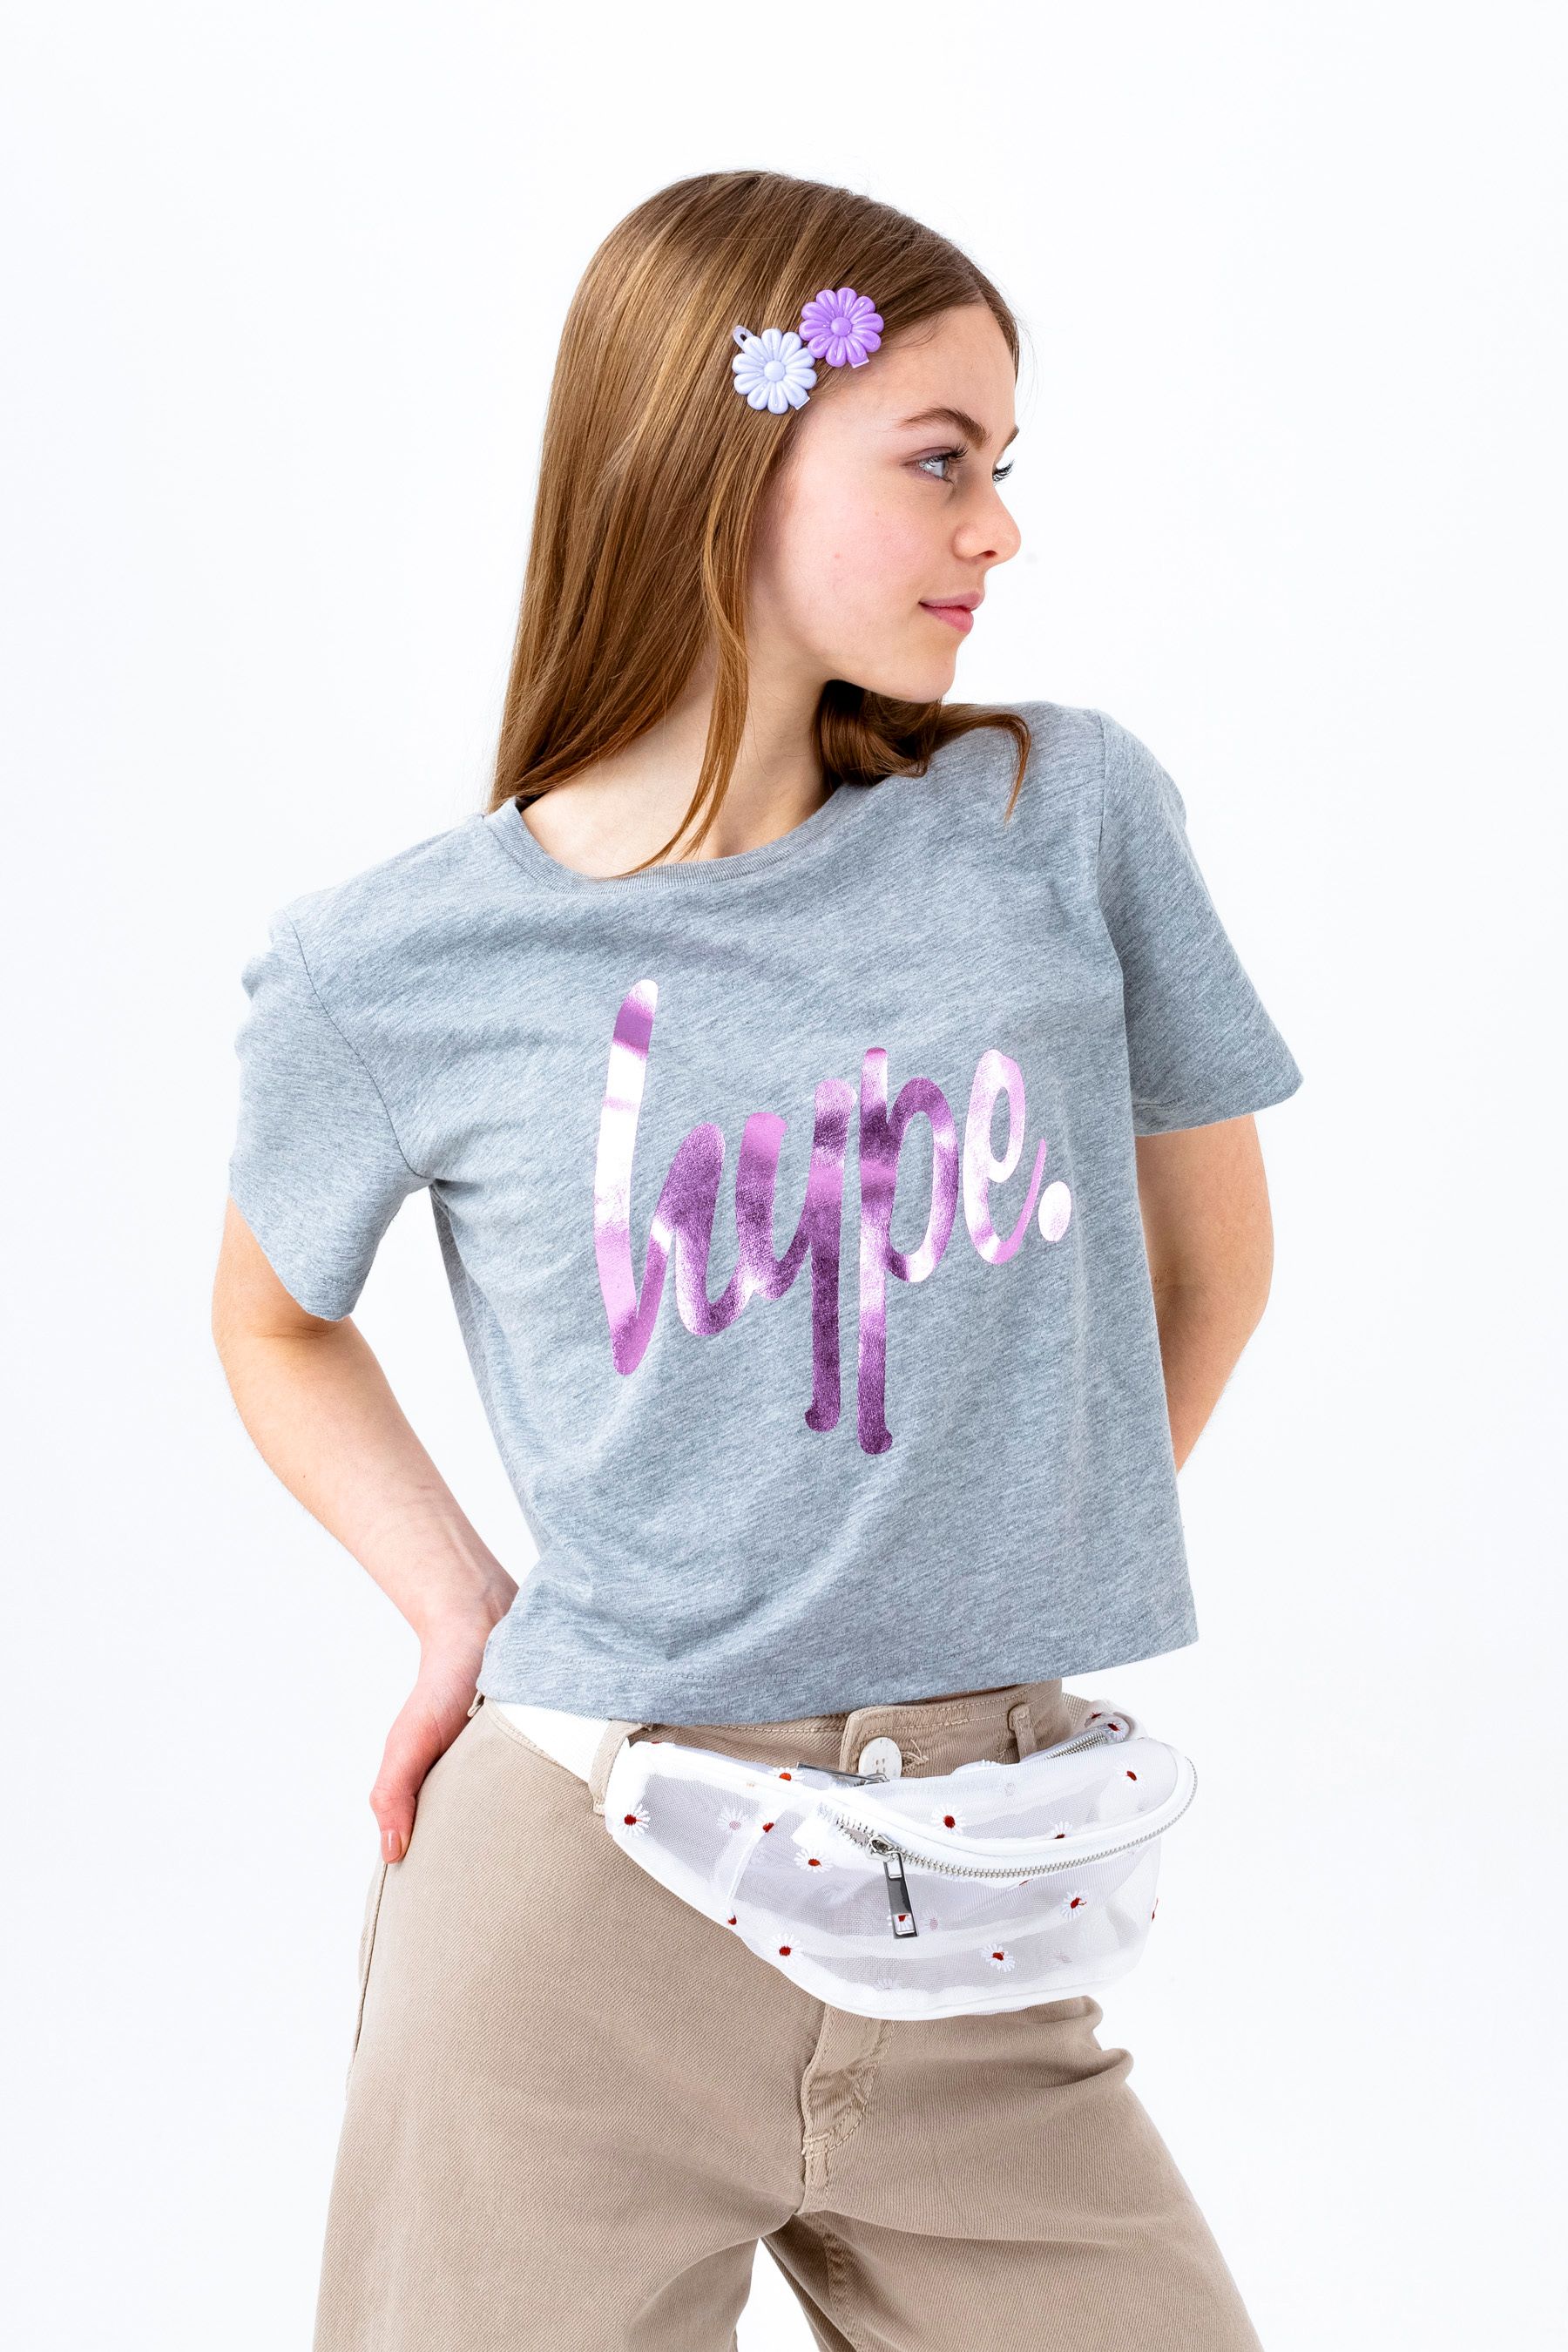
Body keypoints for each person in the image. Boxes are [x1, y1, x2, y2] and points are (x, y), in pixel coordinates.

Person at [211, 168, 1301, 2352]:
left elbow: (1214, 1273)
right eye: (939, 461)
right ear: (729, 457)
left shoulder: (1064, 820)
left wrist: (993, 1558)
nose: (1000, 530)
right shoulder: (395, 963)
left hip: (985, 1907)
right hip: (574, 1914)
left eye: (1004, 467)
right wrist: (458, 1604)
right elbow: (272, 1319)